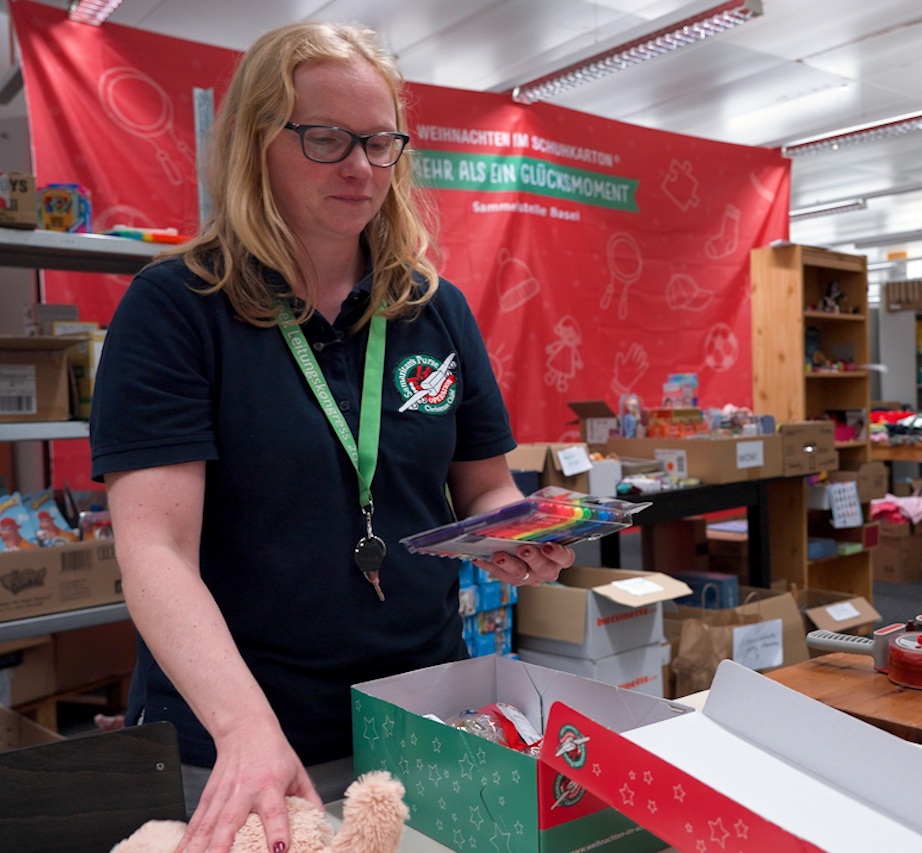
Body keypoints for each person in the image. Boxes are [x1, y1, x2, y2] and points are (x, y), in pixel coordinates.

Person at [89, 21, 573, 853]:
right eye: (326, 139)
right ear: (257, 144)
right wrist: (246, 729)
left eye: (381, 143)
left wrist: (517, 532)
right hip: (241, 739)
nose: (360, 168)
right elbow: (155, 551)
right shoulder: (175, 309)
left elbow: (483, 484)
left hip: (419, 718)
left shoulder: (434, 308)